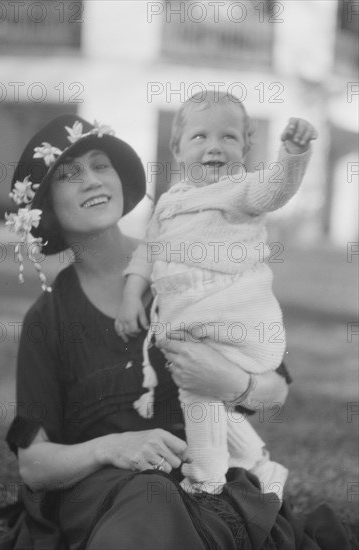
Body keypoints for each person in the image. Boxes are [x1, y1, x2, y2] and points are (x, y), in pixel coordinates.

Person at [0, 113, 349, 550]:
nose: (91, 181)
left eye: (100, 165)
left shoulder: (189, 270)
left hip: (205, 477)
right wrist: (112, 447)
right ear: (46, 204)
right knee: (147, 497)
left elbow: (275, 392)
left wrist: (230, 383)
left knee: (177, 504)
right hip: (106, 494)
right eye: (69, 174)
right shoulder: (46, 321)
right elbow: (33, 465)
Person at [115, 91, 318, 496]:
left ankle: (207, 477)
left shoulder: (241, 190)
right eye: (200, 137)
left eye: (228, 137)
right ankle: (258, 462)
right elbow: (148, 251)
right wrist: (130, 295)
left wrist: (292, 155)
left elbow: (276, 189)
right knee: (211, 396)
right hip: (193, 318)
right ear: (176, 148)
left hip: (232, 316)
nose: (214, 147)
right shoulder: (170, 202)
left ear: (246, 146)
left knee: (199, 393)